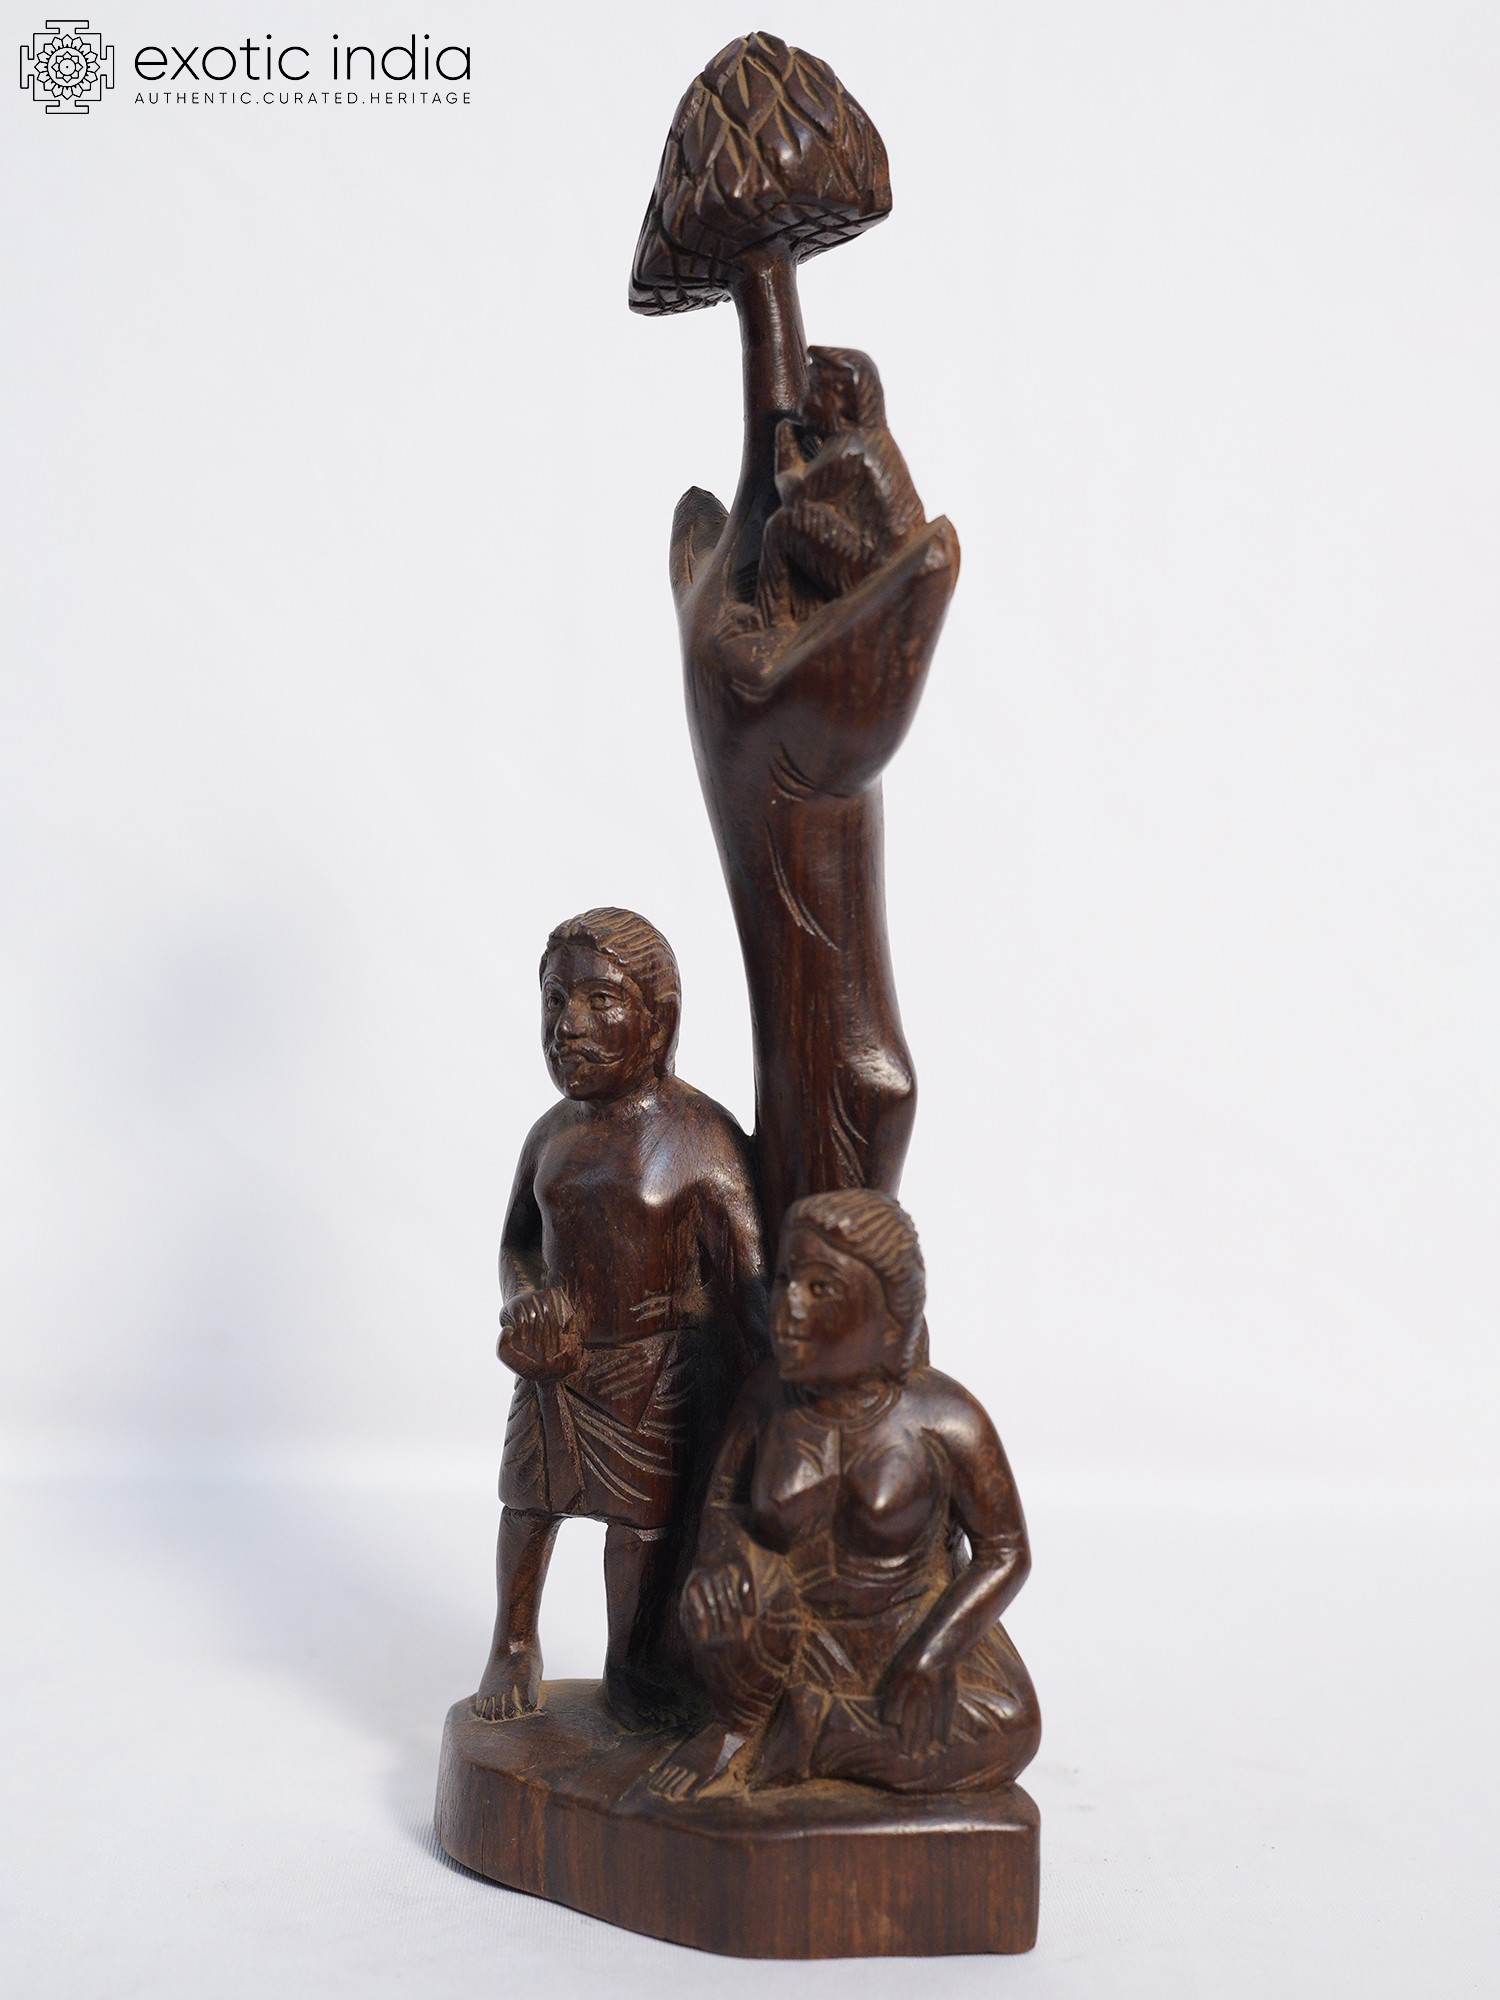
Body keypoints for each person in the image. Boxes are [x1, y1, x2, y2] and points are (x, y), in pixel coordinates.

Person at [473, 908, 765, 1729]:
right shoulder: (551, 1136)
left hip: (652, 1372)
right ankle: (513, 1641)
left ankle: (629, 1661)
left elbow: (750, 1283)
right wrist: (524, 1300)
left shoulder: (701, 1139)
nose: (568, 1025)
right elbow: (516, 1245)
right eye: (554, 999)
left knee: (640, 1529)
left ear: (659, 1020)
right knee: (527, 1507)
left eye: (600, 1001)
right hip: (554, 1366)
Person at [651, 1188, 1039, 1797]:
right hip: (782, 1639)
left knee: (1012, 1726)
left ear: (889, 1318)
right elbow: (722, 1502)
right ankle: (742, 1725)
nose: (789, 1307)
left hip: (907, 1631)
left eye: (821, 1288)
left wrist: (935, 1653)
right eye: (785, 1281)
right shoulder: (767, 1397)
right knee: (723, 1596)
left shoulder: (947, 1420)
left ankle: (818, 1731)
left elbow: (1006, 1553)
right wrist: (720, 1564)